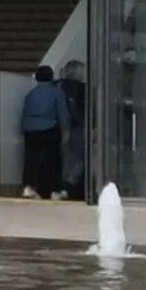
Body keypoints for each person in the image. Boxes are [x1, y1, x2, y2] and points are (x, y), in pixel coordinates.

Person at [19, 64, 64, 199]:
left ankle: (28, 186)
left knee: (30, 160)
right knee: (52, 160)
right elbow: (62, 113)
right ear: (51, 77)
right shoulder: (56, 92)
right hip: (49, 129)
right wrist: (65, 131)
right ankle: (51, 189)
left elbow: (25, 112)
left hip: (30, 130)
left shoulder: (30, 94)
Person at [57, 59, 88, 200]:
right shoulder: (80, 89)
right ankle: (69, 188)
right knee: (79, 160)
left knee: (65, 160)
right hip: (76, 129)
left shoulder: (59, 86)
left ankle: (62, 187)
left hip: (57, 127)